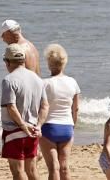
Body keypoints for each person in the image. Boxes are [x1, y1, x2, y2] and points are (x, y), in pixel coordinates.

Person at [0, 44, 47, 180]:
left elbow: (11, 107)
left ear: (7, 62)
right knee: (31, 169)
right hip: (33, 128)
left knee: (17, 170)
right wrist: (38, 126)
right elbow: (45, 105)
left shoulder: (9, 80)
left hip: (14, 129)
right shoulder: (37, 79)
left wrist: (22, 125)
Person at [40, 44, 79, 180]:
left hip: (48, 128)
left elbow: (40, 107)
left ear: (49, 64)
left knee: (53, 168)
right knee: (64, 167)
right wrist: (73, 125)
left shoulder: (44, 83)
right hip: (67, 127)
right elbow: (75, 109)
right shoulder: (72, 82)